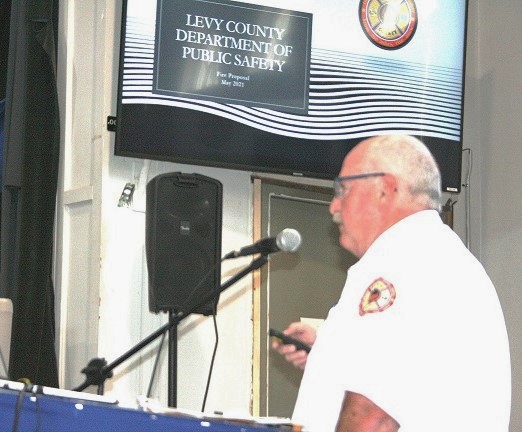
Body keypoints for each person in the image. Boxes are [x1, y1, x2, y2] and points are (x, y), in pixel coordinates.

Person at [272, 135, 511, 432]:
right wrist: (327, 354)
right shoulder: (436, 258)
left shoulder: (401, 263)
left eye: (343, 189)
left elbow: (374, 416)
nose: (334, 206)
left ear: (385, 189)